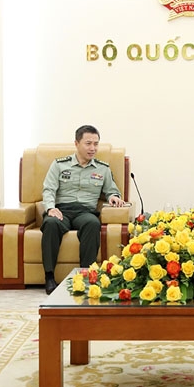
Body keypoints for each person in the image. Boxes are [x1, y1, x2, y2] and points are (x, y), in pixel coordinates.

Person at [41, 125, 125, 295]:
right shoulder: (59, 165)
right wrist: (50, 208)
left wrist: (113, 197)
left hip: (85, 211)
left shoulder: (103, 168)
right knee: (50, 223)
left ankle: (87, 275)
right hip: (62, 209)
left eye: (96, 144)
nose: (92, 148)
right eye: (88, 143)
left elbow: (111, 190)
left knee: (93, 223)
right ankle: (49, 277)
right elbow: (48, 189)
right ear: (77, 143)